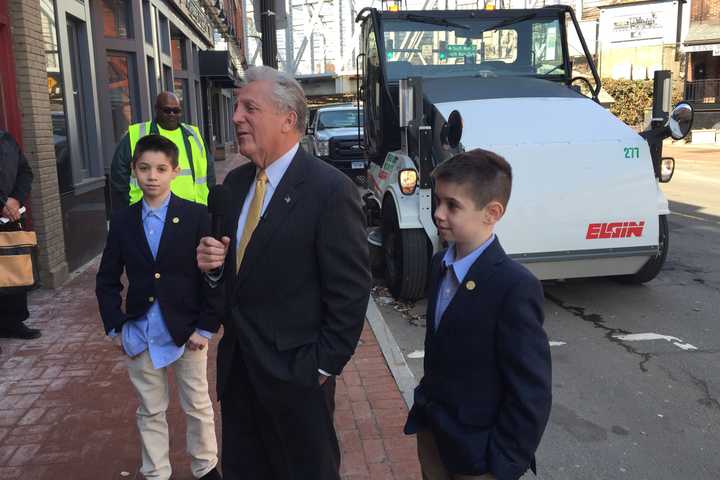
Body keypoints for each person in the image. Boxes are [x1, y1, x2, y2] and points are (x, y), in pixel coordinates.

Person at [196, 66, 371, 480]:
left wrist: (320, 368)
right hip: (240, 379)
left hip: (298, 382)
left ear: (288, 119)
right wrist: (213, 270)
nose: (236, 117)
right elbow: (226, 289)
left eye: (249, 107)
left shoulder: (329, 190)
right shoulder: (234, 186)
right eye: (236, 107)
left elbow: (350, 292)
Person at [404, 149, 552, 480]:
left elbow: (531, 393)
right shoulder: (439, 264)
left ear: (492, 213)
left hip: (479, 456)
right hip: (434, 436)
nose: (438, 214)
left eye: (453, 205)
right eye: (438, 201)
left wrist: (502, 467)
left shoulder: (514, 286)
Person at [96, 135, 223, 480]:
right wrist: (115, 326)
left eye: (161, 169)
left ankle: (206, 467)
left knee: (197, 404)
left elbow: (212, 277)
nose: (152, 176)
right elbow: (107, 279)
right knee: (150, 409)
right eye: (144, 168)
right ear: (134, 171)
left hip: (187, 330)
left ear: (175, 171)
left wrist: (206, 327)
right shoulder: (122, 221)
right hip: (141, 331)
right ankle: (155, 472)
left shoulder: (196, 216)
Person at [109, 92, 214, 211]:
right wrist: (128, 211)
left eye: (176, 111)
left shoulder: (194, 135)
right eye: (167, 110)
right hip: (150, 212)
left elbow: (209, 173)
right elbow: (119, 177)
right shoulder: (137, 134)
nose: (172, 114)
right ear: (156, 110)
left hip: (193, 210)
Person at [0, 129, 40, 341]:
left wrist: (16, 198)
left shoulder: (6, 139)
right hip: (4, 209)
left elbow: (25, 172)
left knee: (13, 267)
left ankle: (13, 322)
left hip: (10, 216)